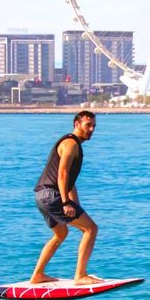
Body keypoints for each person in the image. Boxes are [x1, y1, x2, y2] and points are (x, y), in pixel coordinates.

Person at [30, 111, 103, 285]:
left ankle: (37, 275)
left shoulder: (74, 144)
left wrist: (75, 206)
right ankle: (80, 275)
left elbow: (69, 182)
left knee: (60, 233)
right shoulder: (71, 144)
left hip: (41, 196)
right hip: (52, 196)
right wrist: (65, 202)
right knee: (91, 229)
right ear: (77, 124)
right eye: (88, 125)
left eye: (94, 126)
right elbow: (62, 174)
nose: (91, 129)